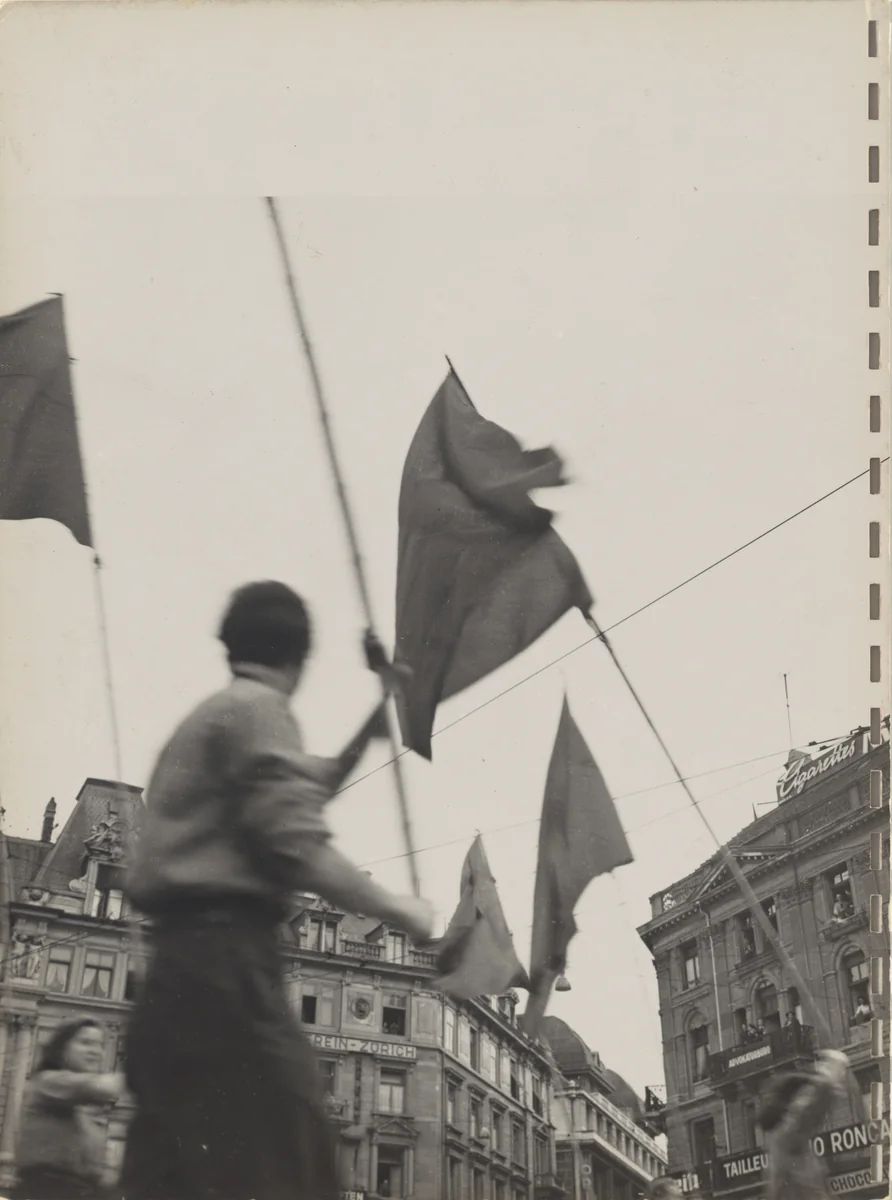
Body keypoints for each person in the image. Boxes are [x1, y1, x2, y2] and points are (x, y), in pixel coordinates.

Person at [120, 582, 435, 1200]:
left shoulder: (213, 716)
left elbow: (299, 786)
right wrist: (399, 909)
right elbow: (294, 839)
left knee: (170, 1169)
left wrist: (382, 708)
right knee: (295, 1154)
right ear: (301, 658)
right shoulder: (260, 710)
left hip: (174, 976)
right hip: (226, 967)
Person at [13, 1018, 123, 1200]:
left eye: (100, 1045)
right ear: (61, 1048)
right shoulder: (48, 1082)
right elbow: (103, 1086)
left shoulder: (84, 1106)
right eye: (85, 1042)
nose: (96, 1052)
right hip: (47, 1190)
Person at [758, 1049, 849, 1200]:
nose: (843, 1074)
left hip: (790, 1145)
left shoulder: (819, 1084)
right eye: (841, 1069)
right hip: (790, 1145)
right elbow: (802, 1113)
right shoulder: (823, 1087)